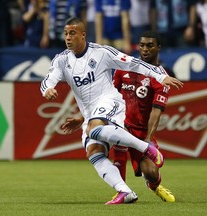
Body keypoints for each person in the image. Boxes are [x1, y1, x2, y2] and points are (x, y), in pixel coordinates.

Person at [40, 17, 183, 204]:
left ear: (83, 35)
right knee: (93, 151)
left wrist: (158, 75)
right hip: (91, 114)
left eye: (72, 33)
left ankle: (146, 148)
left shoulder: (101, 53)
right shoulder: (61, 60)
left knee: (94, 129)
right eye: (66, 33)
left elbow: (132, 62)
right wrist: (48, 89)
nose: (68, 37)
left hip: (111, 103)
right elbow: (49, 79)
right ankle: (125, 191)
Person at [111, 31, 175, 202]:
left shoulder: (162, 78)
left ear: (158, 48)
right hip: (122, 124)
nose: (144, 49)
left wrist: (147, 139)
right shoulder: (124, 67)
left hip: (141, 133)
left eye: (150, 45)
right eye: (142, 45)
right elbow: (110, 94)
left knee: (151, 172)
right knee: (119, 144)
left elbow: (156, 111)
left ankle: (154, 185)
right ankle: (122, 191)